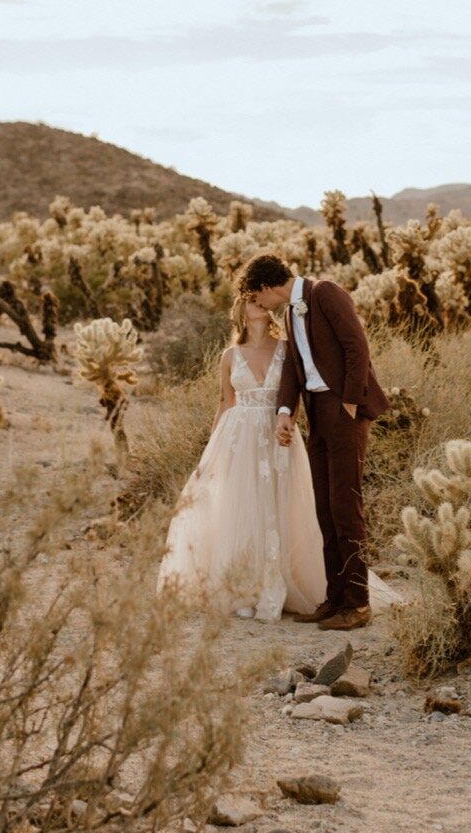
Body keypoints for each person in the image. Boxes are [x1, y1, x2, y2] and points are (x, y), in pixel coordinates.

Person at [156, 294, 329, 621]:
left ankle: (279, 584)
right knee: (242, 508)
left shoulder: (286, 349)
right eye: (251, 300)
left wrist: (289, 423)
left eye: (261, 299)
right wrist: (208, 454)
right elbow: (225, 402)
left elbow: (293, 396)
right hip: (238, 439)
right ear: (240, 310)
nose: (259, 303)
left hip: (276, 435)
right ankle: (244, 588)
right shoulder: (229, 355)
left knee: (281, 507)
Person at [242, 253, 391, 632]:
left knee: (345, 506)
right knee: (323, 507)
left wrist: (350, 403)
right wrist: (285, 411)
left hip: (343, 411)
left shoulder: (325, 292)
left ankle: (358, 604)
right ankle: (336, 598)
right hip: (317, 413)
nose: (258, 304)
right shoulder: (292, 311)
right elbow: (295, 366)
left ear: (265, 287)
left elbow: (357, 347)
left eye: (256, 296)